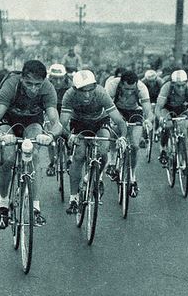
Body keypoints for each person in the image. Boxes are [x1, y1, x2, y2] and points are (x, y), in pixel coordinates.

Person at [0, 60, 62, 228]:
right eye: (29, 84)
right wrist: (1, 136)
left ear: (43, 81)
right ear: (21, 79)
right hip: (9, 119)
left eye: (37, 84)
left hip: (33, 121)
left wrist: (50, 135)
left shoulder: (48, 88)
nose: (33, 89)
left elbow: (55, 121)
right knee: (9, 158)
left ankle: (35, 208)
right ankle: (3, 203)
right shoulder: (11, 85)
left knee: (34, 155)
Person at [59, 69, 128, 215]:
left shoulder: (101, 93)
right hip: (79, 123)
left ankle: (97, 176)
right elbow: (62, 123)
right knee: (79, 155)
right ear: (75, 89)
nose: (88, 94)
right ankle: (74, 198)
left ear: (95, 86)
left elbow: (118, 120)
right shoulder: (69, 95)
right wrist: (68, 136)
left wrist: (122, 137)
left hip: (100, 121)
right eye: (83, 91)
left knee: (103, 151)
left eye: (91, 89)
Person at [104, 70, 152, 197]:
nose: (129, 91)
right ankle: (112, 162)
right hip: (116, 110)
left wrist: (147, 120)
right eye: (126, 88)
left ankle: (132, 176)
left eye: (132, 89)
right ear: (121, 84)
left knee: (135, 146)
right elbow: (106, 105)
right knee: (115, 132)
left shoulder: (142, 87)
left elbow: (147, 108)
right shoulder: (112, 85)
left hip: (134, 112)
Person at [155, 69, 188, 166]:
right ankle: (163, 148)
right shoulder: (166, 87)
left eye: (182, 85)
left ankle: (184, 160)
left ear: (186, 83)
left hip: (181, 109)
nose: (180, 88)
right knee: (168, 125)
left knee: (183, 133)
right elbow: (158, 108)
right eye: (178, 86)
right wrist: (160, 118)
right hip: (166, 108)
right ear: (172, 84)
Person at [45, 63, 71, 176]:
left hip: (66, 108)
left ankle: (70, 156)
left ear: (65, 77)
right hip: (51, 108)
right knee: (50, 135)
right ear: (50, 77)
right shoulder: (45, 84)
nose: (58, 82)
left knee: (69, 130)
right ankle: (52, 163)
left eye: (61, 78)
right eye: (55, 79)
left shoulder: (70, 84)